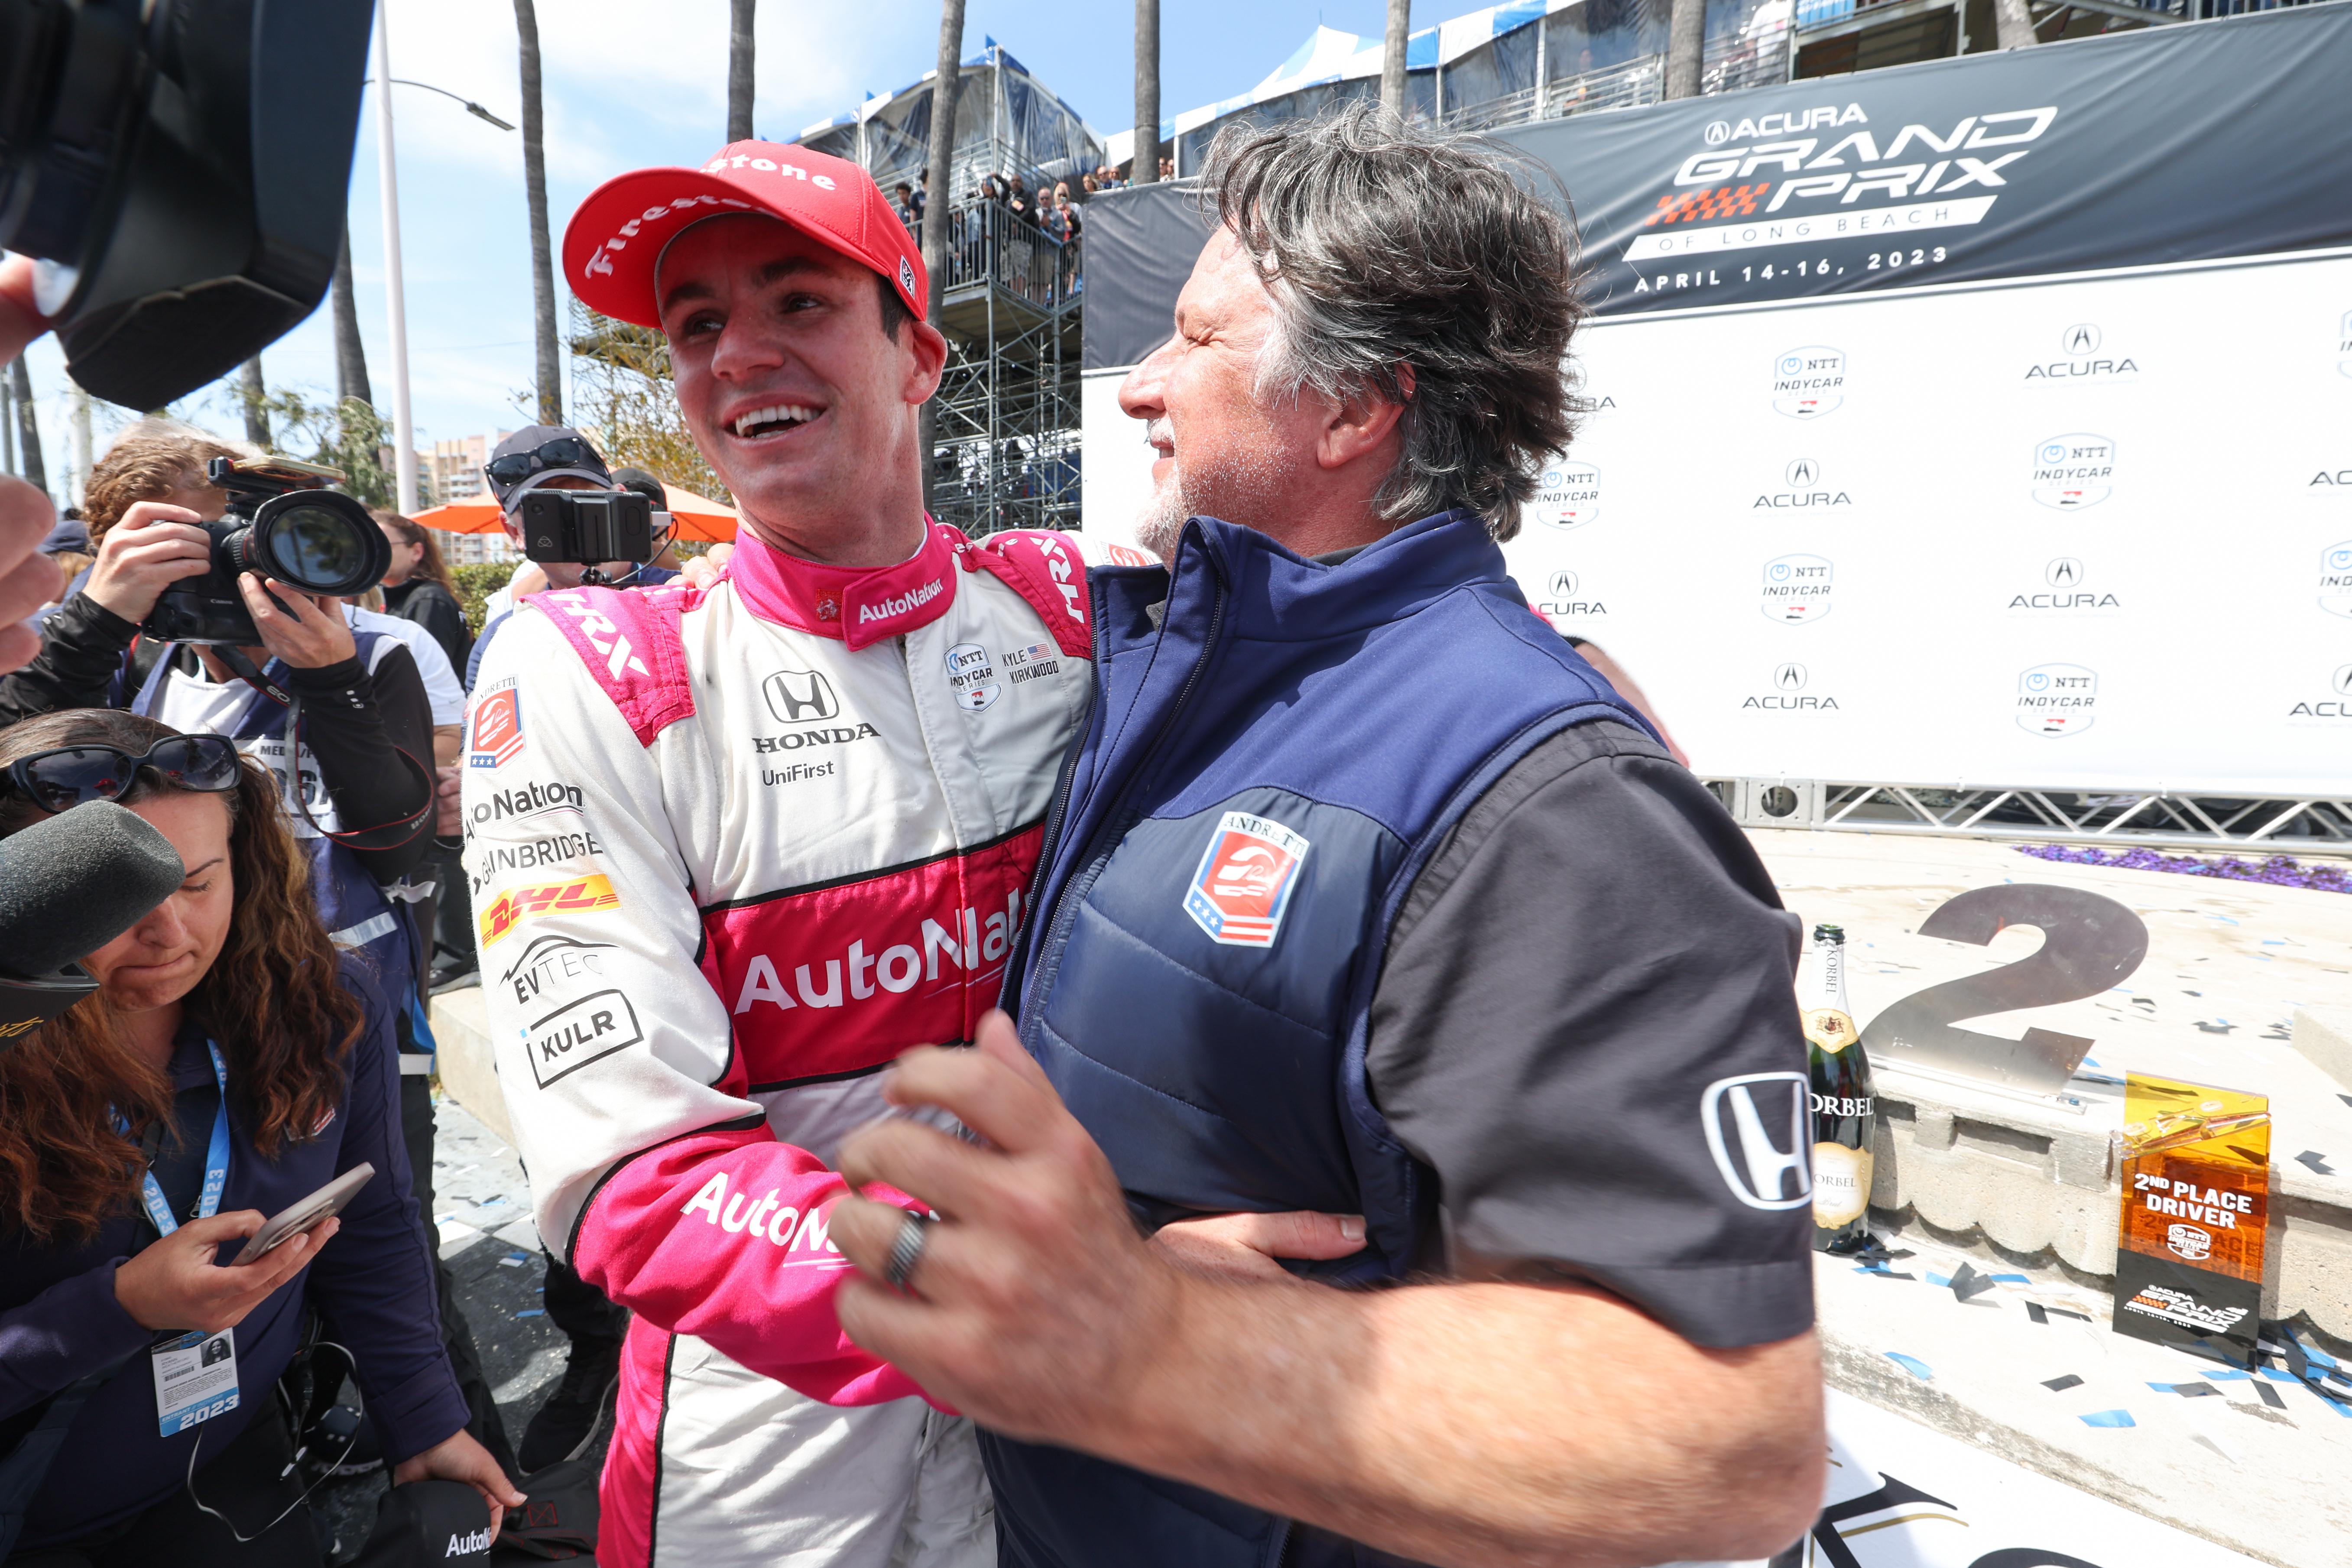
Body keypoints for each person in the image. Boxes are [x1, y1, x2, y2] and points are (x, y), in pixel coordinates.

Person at [818, 105, 1825, 1568]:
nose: (1138, 389)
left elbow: (1723, 1432)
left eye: (1192, 339)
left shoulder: (1557, 803)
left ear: (1350, 408)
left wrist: (1156, 1338)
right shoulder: (1189, 656)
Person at [463, 137, 1139, 1568]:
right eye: (696, 324)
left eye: (799, 303)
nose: (737, 354)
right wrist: (996, 1280)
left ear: (920, 356)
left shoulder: (1064, 607)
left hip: (1087, 1377)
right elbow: (628, 1172)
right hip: (771, 1424)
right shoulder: (595, 665)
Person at [0, 429, 521, 1487]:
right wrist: (96, 622)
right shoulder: (138, 667)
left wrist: (329, 681)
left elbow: (400, 837)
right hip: (55, 1462)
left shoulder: (373, 651)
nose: (168, 929)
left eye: (196, 882)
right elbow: (25, 778)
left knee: (373, 1235)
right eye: (199, 542)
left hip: (309, 1010)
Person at [0, 708, 520, 1563]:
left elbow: (379, 1224)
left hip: (232, 1469)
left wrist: (422, 1417)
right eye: (116, 901)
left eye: (199, 883)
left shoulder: (320, 1008)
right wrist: (115, 1310)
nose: (170, 935)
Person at [459, 428, 679, 692]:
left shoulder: (685, 597)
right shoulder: (502, 640)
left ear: (623, 502)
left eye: (587, 505)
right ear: (514, 532)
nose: (573, 527)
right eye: (546, 514)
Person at [373, 512, 472, 687]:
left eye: (384, 545)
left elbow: (427, 676)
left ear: (417, 551)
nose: (375, 552)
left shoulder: (428, 601)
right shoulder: (412, 597)